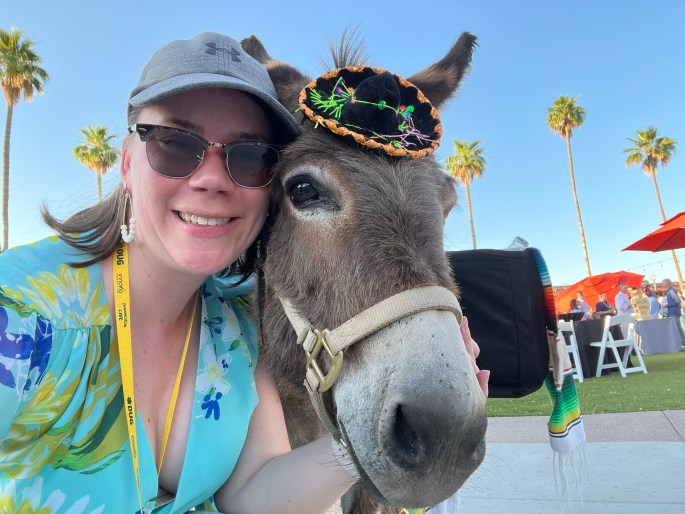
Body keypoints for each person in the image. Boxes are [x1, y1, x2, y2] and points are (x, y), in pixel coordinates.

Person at [0, 32, 488, 512]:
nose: (211, 178)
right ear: (127, 162)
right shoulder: (20, 315)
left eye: (250, 155)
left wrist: (362, 437)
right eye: (174, 143)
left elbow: (254, 497)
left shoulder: (235, 321)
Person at [662, 278, 685, 346]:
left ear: (667, 283)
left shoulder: (671, 290)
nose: (662, 284)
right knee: (678, 328)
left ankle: (678, 343)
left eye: (663, 282)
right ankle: (683, 342)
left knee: (675, 328)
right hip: (673, 312)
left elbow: (677, 300)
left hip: (673, 312)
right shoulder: (670, 290)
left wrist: (668, 304)